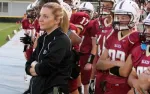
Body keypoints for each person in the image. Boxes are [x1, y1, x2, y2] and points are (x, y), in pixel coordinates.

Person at [24, 2, 71, 94]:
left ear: (57, 20)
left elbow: (46, 68)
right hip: (37, 88)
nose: (40, 19)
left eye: (45, 16)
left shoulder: (61, 40)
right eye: (40, 15)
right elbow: (28, 65)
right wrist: (36, 66)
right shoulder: (42, 39)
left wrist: (35, 66)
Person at [96, 0, 140, 94]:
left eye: (123, 17)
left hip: (125, 87)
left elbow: (125, 72)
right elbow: (99, 64)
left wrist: (107, 65)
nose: (119, 20)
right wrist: (116, 62)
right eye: (118, 16)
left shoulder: (136, 38)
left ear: (134, 17)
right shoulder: (113, 34)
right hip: (108, 84)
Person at [128, 13, 150, 94]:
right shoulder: (140, 49)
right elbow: (131, 77)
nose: (148, 31)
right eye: (147, 27)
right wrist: (136, 85)